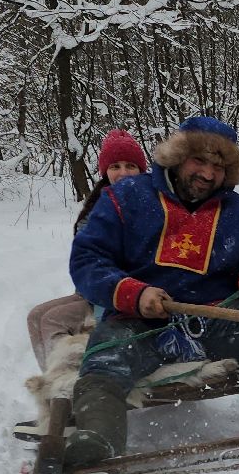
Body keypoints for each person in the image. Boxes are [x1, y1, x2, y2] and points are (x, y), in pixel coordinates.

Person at [64, 114, 239, 474]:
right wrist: (133, 293)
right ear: (177, 157)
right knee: (106, 353)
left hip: (215, 324)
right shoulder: (126, 199)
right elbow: (87, 261)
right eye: (200, 161)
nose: (208, 174)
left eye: (219, 167)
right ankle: (99, 448)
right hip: (140, 324)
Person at [25, 129, 149, 369]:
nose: (123, 173)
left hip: (120, 294)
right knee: (35, 316)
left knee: (52, 321)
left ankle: (71, 378)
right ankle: (53, 378)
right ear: (105, 171)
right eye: (115, 166)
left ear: (141, 170)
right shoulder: (99, 204)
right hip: (94, 290)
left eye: (130, 166)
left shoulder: (148, 204)